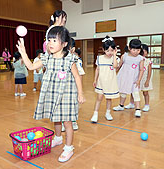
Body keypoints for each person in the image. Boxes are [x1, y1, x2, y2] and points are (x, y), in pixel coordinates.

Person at [16, 26, 85, 162]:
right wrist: (23, 52)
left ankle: (69, 147)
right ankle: (58, 138)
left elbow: (77, 77)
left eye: (55, 40)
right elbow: (30, 67)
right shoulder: (47, 58)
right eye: (49, 40)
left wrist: (80, 93)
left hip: (67, 95)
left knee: (67, 122)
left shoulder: (70, 59)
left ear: (64, 44)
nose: (50, 43)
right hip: (53, 93)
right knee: (56, 118)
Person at [90, 36, 120, 123]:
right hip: (101, 81)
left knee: (109, 98)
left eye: (111, 50)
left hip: (110, 81)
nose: (109, 52)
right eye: (107, 51)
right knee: (99, 98)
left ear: (114, 50)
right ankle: (95, 114)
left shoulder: (115, 58)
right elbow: (97, 69)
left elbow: (115, 66)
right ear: (104, 50)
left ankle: (108, 113)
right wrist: (95, 80)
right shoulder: (100, 58)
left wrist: (114, 55)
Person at [113, 39, 144, 117]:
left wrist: (139, 80)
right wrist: (113, 72)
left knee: (135, 93)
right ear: (129, 48)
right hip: (124, 78)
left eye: (138, 50)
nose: (136, 52)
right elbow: (119, 66)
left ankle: (137, 109)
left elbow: (141, 70)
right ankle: (121, 105)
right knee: (123, 91)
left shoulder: (140, 58)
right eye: (134, 50)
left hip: (134, 80)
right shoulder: (125, 56)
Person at [62, 38, 85, 131]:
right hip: (63, 88)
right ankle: (64, 121)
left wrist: (80, 91)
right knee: (63, 105)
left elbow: (80, 75)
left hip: (73, 88)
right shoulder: (60, 59)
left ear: (72, 49)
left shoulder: (76, 60)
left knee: (74, 105)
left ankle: (74, 121)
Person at [124, 44, 153, 112]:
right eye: (142, 50)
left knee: (145, 93)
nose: (143, 52)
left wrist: (147, 81)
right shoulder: (137, 60)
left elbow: (149, 72)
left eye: (145, 51)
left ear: (147, 52)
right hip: (136, 79)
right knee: (133, 92)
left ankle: (147, 105)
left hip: (144, 79)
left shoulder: (148, 61)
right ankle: (131, 103)